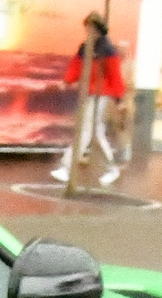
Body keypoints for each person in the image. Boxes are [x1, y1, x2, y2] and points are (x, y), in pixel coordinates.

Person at [54, 13, 126, 185]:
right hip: (88, 93)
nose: (87, 31)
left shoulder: (107, 50)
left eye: (90, 28)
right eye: (86, 27)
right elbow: (76, 66)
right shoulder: (85, 47)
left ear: (98, 29)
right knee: (96, 133)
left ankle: (66, 167)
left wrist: (119, 98)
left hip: (100, 95)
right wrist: (67, 80)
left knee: (86, 131)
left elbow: (114, 75)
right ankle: (112, 169)